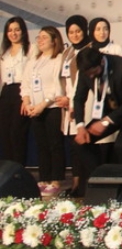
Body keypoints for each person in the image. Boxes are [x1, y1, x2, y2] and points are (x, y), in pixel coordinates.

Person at [74, 47, 122, 184]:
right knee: (81, 142)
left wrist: (106, 121)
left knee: (121, 146)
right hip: (107, 112)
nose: (91, 76)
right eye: (88, 74)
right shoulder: (85, 70)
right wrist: (80, 126)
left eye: (94, 72)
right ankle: (101, 179)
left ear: (102, 63)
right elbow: (79, 99)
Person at [21, 26, 65, 196]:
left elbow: (57, 87)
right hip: (34, 109)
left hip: (51, 108)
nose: (40, 40)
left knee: (55, 144)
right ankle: (44, 178)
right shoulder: (33, 60)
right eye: (38, 37)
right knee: (41, 145)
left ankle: (56, 180)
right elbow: (25, 84)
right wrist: (27, 102)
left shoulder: (58, 59)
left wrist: (42, 105)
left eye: (44, 37)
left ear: (54, 40)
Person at [60, 15, 91, 197]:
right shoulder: (67, 52)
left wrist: (73, 102)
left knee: (82, 145)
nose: (75, 35)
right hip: (66, 104)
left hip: (81, 102)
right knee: (73, 146)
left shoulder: (89, 50)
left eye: (78, 31)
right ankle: (75, 182)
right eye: (71, 32)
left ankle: (83, 183)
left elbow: (82, 82)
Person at [0, 17, 31, 165]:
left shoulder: (30, 49)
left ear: (23, 31)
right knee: (5, 133)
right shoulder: (4, 53)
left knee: (17, 133)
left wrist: (27, 99)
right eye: (10, 30)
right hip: (6, 92)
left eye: (17, 30)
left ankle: (19, 169)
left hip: (22, 92)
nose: (13, 33)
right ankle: (9, 170)